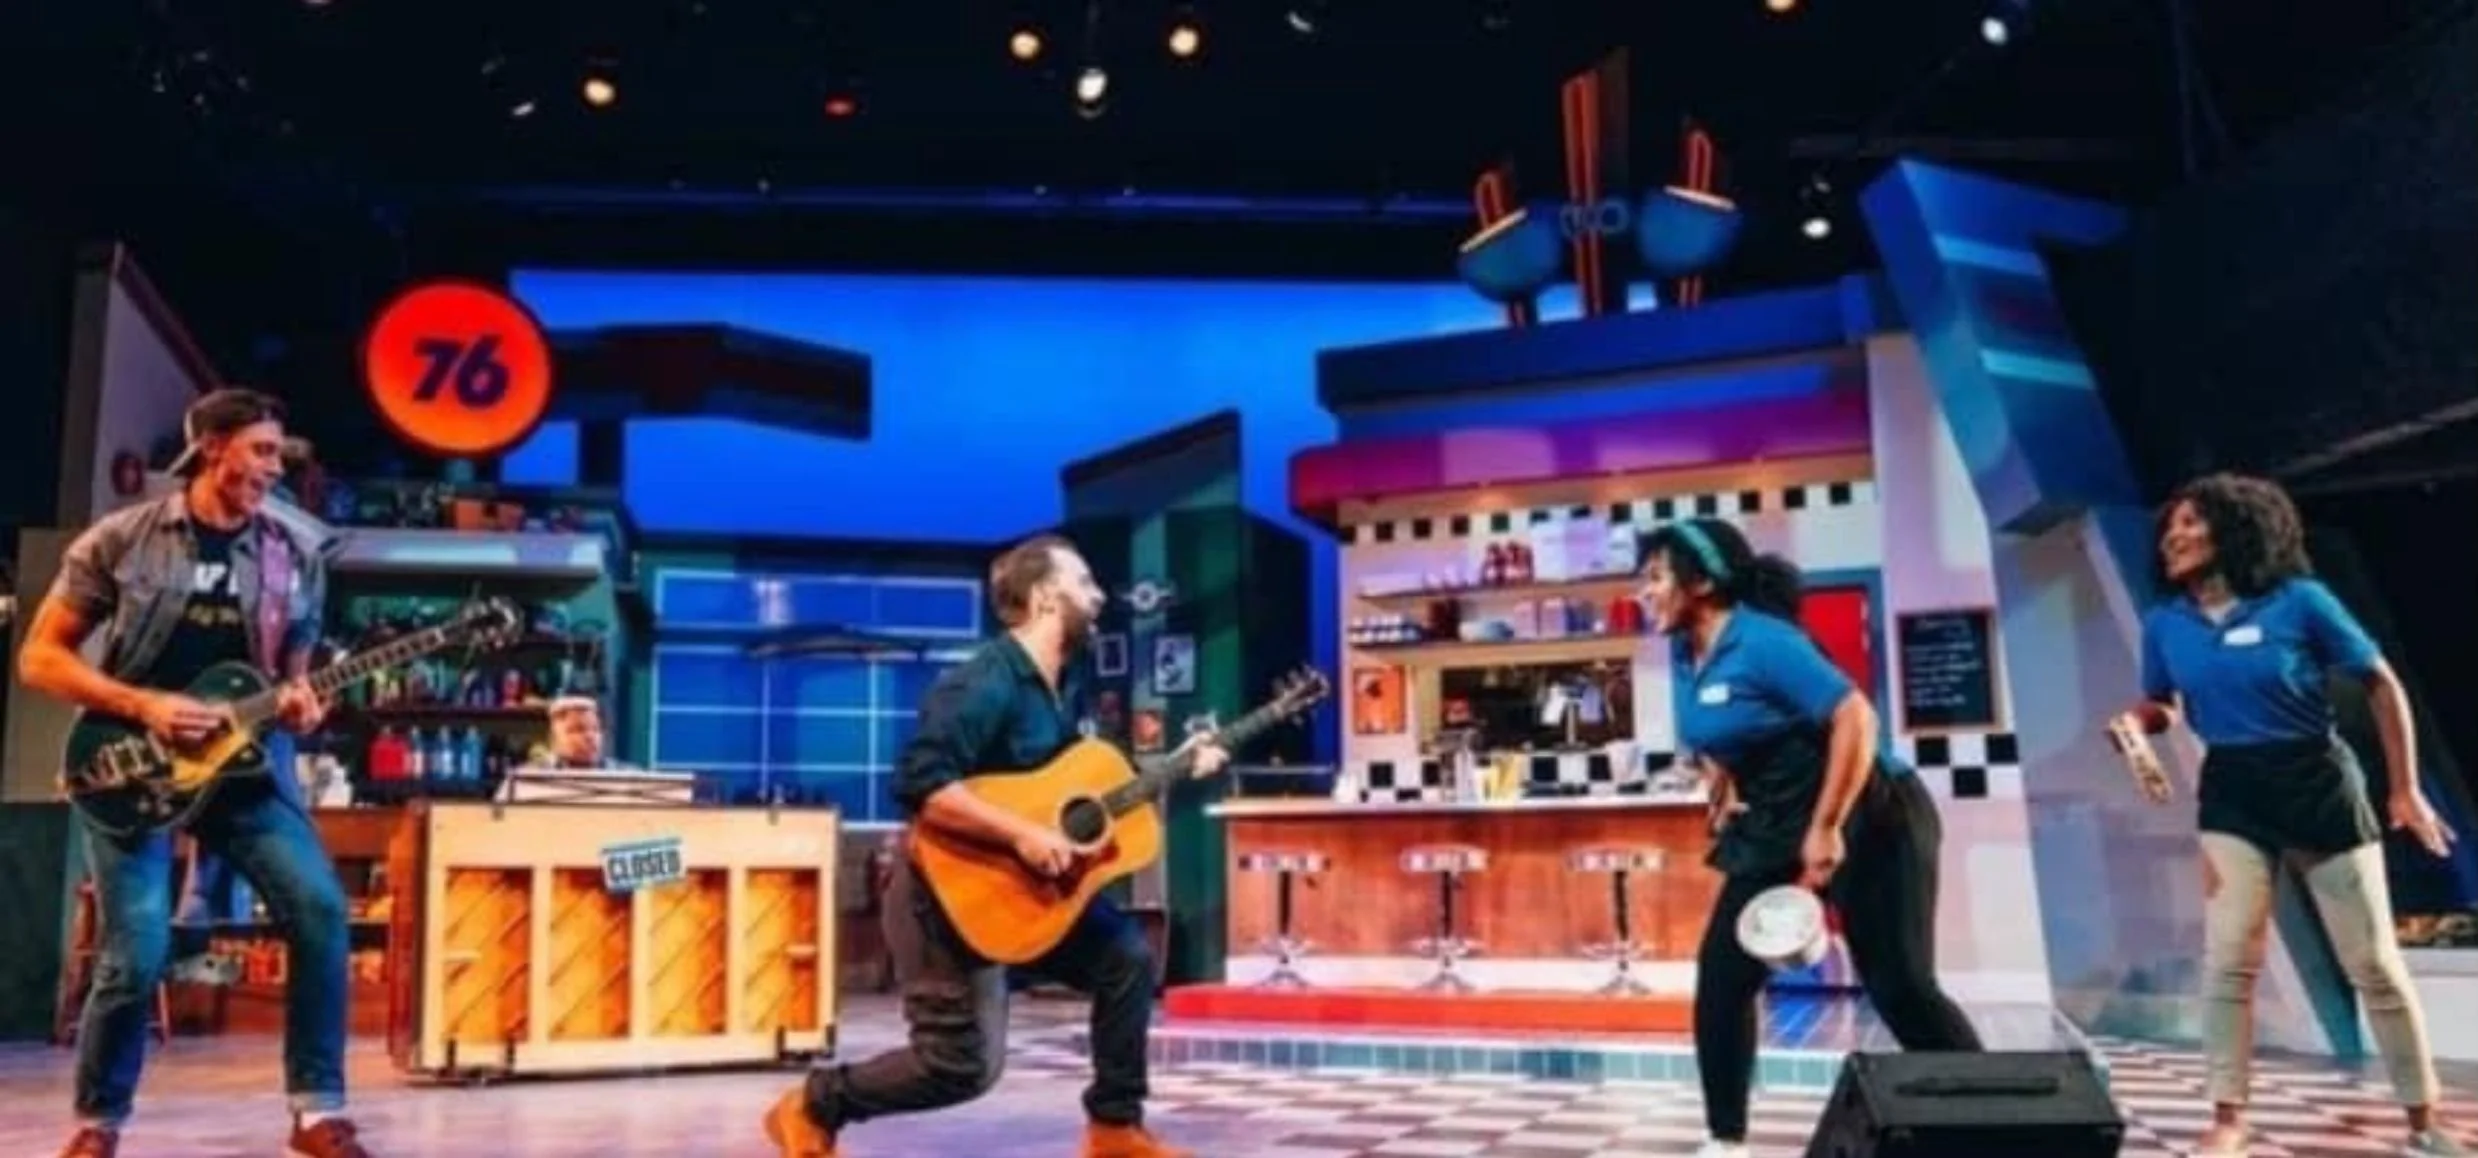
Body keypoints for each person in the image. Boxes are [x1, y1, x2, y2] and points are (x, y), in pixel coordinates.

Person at [764, 533, 1229, 1158]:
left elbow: (1072, 788)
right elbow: (921, 783)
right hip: (942, 894)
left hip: (1023, 891)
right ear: (1045, 598)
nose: (1098, 596)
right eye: (1085, 583)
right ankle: (815, 1103)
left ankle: (1114, 1129)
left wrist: (1175, 766)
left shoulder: (1058, 687)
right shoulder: (985, 683)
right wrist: (1022, 834)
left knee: (1126, 957)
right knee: (959, 1066)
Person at [15, 389, 373, 1158]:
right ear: (212, 446)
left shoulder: (293, 556)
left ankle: (317, 1112)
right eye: (261, 451)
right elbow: (39, 658)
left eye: (279, 456)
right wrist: (142, 704)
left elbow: (294, 679)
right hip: (132, 765)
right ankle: (98, 1124)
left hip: (247, 770)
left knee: (320, 910)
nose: (273, 470)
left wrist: (304, 707)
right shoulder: (124, 539)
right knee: (136, 950)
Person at [2109, 472, 2462, 1157]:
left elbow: (2380, 682)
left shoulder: (2300, 602)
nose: (2174, 536)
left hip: (2316, 781)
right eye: (2170, 526)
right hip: (2233, 789)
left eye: (2192, 522)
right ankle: (2229, 1120)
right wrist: (2137, 722)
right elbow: (2165, 703)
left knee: (2373, 964)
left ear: (2238, 529)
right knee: (2229, 960)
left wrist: (2404, 789)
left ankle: (2423, 1120)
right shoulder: (2165, 623)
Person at [1637, 518, 1983, 1158]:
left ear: (1702, 582)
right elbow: (1716, 727)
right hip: (1775, 819)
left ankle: (1994, 1128)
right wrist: (1722, 779)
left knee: (1901, 986)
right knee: (1723, 979)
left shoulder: (1764, 640)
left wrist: (1826, 827)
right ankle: (1726, 1142)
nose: (1644, 591)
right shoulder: (1686, 652)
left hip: (1874, 814)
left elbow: (1855, 717)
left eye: (1656, 577)